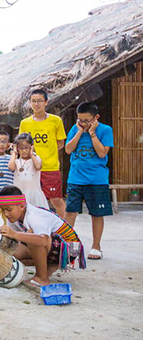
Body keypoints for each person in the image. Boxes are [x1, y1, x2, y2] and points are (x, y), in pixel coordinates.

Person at [0, 185, 86, 287]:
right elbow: (14, 242)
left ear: (22, 206)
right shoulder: (14, 217)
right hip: (52, 245)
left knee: (33, 237)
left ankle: (42, 278)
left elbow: (43, 240)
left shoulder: (34, 216)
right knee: (11, 252)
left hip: (69, 249)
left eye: (9, 209)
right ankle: (48, 267)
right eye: (3, 210)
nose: (6, 214)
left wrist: (15, 234)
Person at [64, 102, 114, 260]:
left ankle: (96, 246)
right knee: (70, 212)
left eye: (87, 120)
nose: (84, 124)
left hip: (97, 179)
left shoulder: (105, 130)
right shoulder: (75, 128)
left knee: (97, 213)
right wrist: (79, 132)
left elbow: (101, 153)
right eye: (80, 120)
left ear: (96, 118)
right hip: (76, 178)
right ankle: (68, 244)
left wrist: (92, 133)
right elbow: (68, 149)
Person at [19, 89, 67, 217]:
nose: (36, 104)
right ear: (29, 103)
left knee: (56, 199)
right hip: (30, 168)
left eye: (40, 101)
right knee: (31, 199)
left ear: (46, 102)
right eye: (33, 101)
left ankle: (63, 229)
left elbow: (60, 143)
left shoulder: (56, 121)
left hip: (50, 167)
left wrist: (47, 153)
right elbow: (22, 144)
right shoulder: (25, 123)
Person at [8, 133, 49, 209]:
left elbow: (38, 166)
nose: (24, 150)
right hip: (20, 193)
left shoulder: (36, 159)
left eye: (26, 147)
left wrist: (32, 154)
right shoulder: (16, 161)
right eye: (20, 148)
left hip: (34, 194)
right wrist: (14, 152)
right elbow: (11, 167)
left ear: (31, 147)